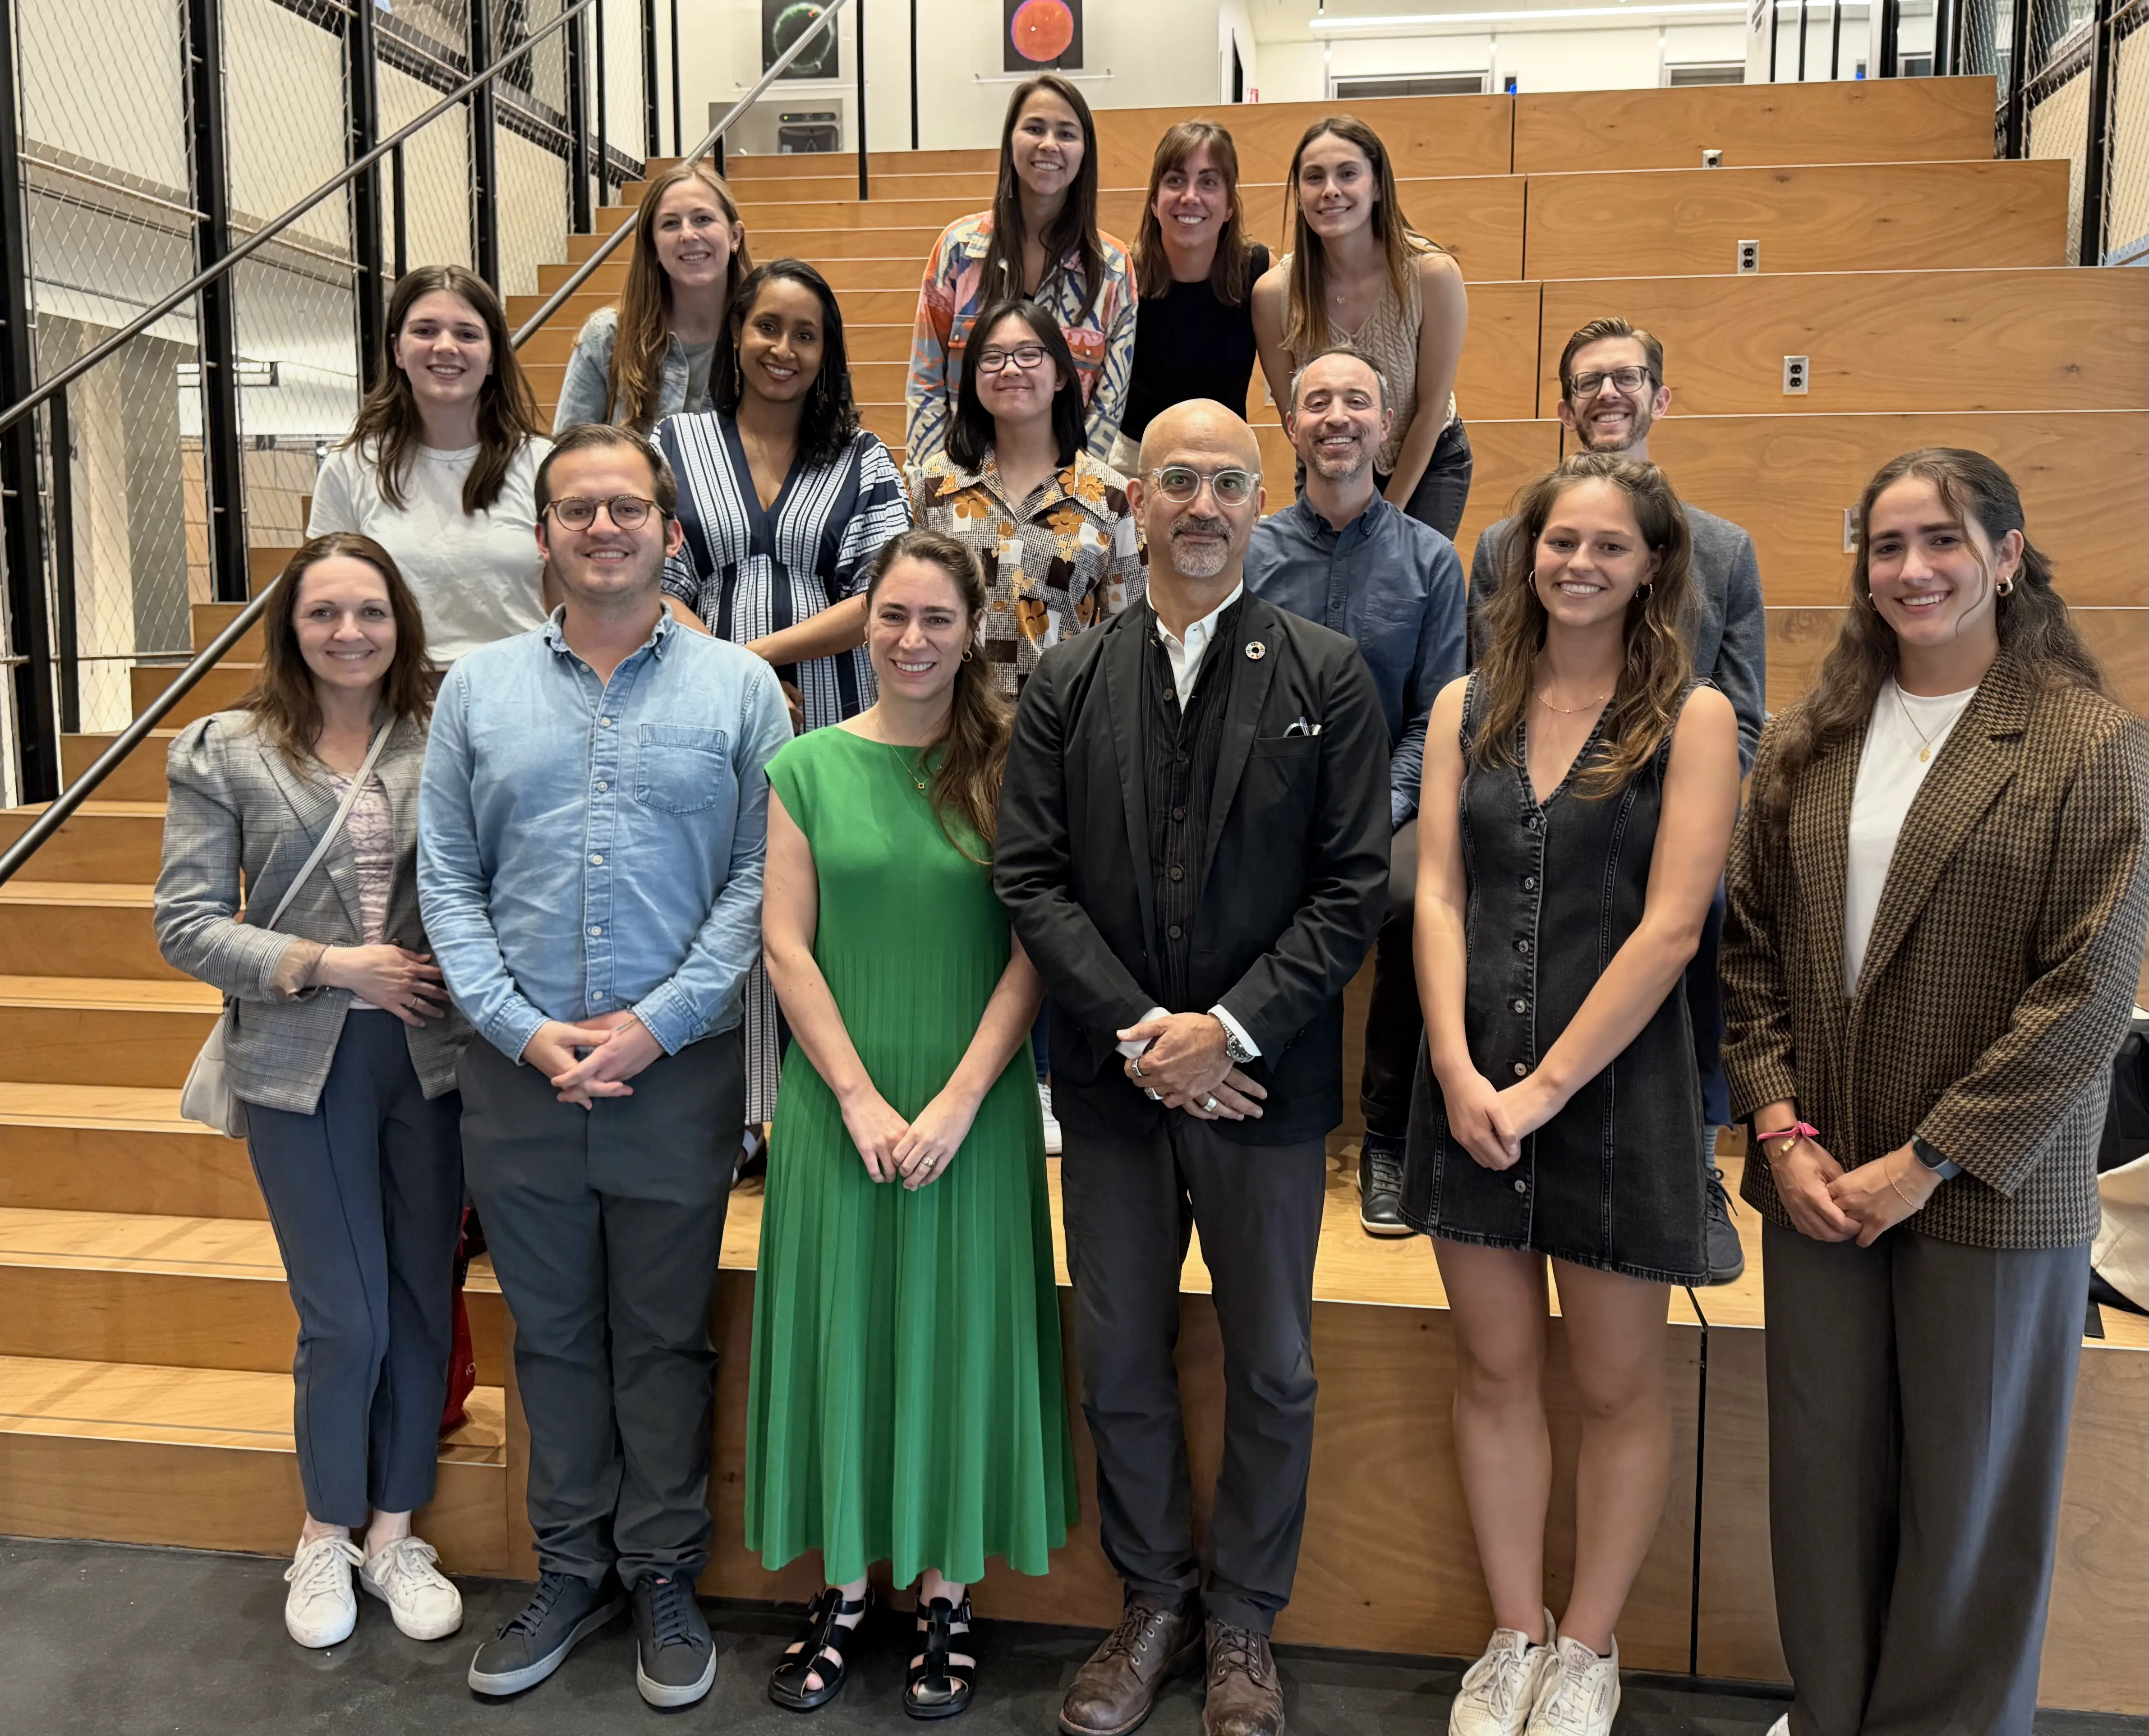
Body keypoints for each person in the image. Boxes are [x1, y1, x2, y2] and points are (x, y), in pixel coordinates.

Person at [1720, 449, 2149, 1736]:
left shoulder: (2086, 743)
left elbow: (2087, 994)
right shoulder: (1811, 738)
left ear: (2007, 558)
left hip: (1985, 1184)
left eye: (1943, 541)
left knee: (1969, 1499)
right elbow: (1750, 953)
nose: (1912, 569)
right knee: (1825, 1484)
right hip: (1819, 1179)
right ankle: (1835, 1710)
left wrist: (1924, 1160)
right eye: (1886, 545)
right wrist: (1779, 1128)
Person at [996, 400, 1390, 1736]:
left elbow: (1350, 887)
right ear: (1136, 501)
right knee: (1116, 1358)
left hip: (1259, 1089)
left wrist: (1224, 1032)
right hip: (1113, 1089)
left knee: (1273, 1363)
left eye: (1229, 479)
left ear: (1257, 497)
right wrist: (1144, 1039)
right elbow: (1030, 877)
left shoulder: (1327, 674)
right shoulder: (1064, 676)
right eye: (1179, 480)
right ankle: (1154, 1599)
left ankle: (1243, 1624)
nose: (1204, 503)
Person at [418, 424, 791, 1709]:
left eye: (626, 507)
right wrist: (521, 1027)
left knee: (662, 1338)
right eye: (575, 509)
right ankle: (570, 1568)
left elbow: (758, 882)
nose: (603, 528)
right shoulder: (474, 693)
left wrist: (658, 1022)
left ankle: (663, 1572)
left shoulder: (742, 689)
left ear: (669, 532)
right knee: (556, 1335)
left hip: (670, 1069)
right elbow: (447, 882)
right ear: (544, 539)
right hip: (514, 1076)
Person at [1404, 453, 1739, 1736]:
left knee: (1613, 1385)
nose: (1578, 564)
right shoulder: (1462, 704)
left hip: (1609, 1093)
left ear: (1652, 564)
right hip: (1469, 1077)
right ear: (1522, 555)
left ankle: (1586, 1648)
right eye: (1559, 543)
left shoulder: (1691, 718)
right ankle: (1510, 1636)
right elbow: (1436, 891)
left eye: (1608, 546)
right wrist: (1451, 1063)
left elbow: (1667, 931)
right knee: (1492, 1372)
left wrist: (1541, 1089)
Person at [749, 528, 1077, 1720]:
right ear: (864, 622)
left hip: (969, 1106)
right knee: (848, 1326)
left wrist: (951, 1102)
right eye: (892, 615)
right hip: (839, 1098)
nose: (912, 639)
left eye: (936, 618)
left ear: (973, 628)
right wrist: (853, 1098)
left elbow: (1032, 951)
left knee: (955, 1326)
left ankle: (946, 1588)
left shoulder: (1010, 772)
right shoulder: (805, 767)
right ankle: (843, 1586)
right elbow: (784, 942)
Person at [154, 533, 468, 1652]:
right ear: (290, 625)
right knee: (347, 1316)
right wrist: (333, 965)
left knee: (425, 1302)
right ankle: (323, 1532)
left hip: (431, 1058)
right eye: (325, 613)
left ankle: (394, 1533)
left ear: (401, 624)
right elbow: (184, 922)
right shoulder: (226, 748)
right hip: (301, 1062)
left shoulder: (445, 737)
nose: (349, 633)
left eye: (371, 613)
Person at [1470, 316, 1767, 1284]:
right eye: (1588, 381)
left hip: (1675, 795)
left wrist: (1687, 796)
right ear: (1563, 408)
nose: (1609, 393)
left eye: (1628, 377)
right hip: (1547, 787)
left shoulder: (1721, 550)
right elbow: (1497, 694)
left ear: (1660, 397)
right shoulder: (1505, 543)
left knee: (1704, 907)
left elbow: (1746, 710)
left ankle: (1694, 1151)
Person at [659, 258, 912, 1130]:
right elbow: (655, 582)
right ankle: (730, 1114)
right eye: (768, 326)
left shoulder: (862, 454)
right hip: (702, 715)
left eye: (807, 335)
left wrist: (753, 658)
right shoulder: (676, 444)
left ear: (828, 352)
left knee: (823, 906)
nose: (784, 348)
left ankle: (813, 1105)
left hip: (837, 716)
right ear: (736, 333)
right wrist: (736, 679)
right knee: (720, 890)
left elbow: (883, 591)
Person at [906, 298, 1149, 1157]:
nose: (1011, 370)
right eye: (992, 357)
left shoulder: (1110, 490)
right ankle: (964, 1065)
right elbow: (914, 615)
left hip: (1070, 737)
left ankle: (1045, 1075)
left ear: (1064, 373)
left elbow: (1128, 622)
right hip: (957, 730)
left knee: (1050, 908)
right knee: (965, 904)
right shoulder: (935, 484)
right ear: (971, 380)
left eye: (1029, 354)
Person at [1245, 347, 1466, 1237]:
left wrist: (1378, 809)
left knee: (1419, 898)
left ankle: (1388, 1132)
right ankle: (1245, 1093)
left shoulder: (1433, 562)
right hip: (1270, 798)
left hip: (1392, 800)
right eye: (1318, 402)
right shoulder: (1249, 551)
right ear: (1292, 426)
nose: (1338, 416)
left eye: (1358, 402)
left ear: (1385, 427)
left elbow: (1441, 711)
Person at [309, 265, 550, 664]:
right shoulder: (350, 466)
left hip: (519, 690)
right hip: (396, 695)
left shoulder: (543, 464)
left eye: (467, 334)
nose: (445, 346)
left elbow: (571, 602)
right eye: (425, 331)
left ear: (493, 358)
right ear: (398, 351)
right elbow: (327, 600)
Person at [1250, 115, 1471, 538]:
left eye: (1347, 174)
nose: (1330, 189)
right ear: (1299, 197)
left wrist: (1386, 517)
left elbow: (1430, 407)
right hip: (1330, 460)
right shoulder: (1273, 294)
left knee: (1400, 582)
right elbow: (1294, 419)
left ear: (1377, 188)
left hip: (1427, 459)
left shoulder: (1432, 275)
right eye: (1314, 177)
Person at [907, 73, 1136, 467]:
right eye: (1034, 128)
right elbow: (925, 383)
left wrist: (1070, 496)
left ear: (1085, 153)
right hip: (961, 488)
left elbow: (1108, 406)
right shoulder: (958, 250)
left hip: (1067, 498)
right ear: (1010, 140)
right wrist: (939, 490)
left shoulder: (1112, 269)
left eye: (1066, 133)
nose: (1049, 144)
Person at [1109, 120, 1270, 478]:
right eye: (1175, 180)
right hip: (1133, 464)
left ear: (1230, 205)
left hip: (1227, 461)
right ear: (1154, 201)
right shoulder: (1121, 274)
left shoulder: (1259, 270)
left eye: (1209, 182)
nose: (1190, 196)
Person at [552, 158, 753, 432]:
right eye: (670, 224)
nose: (688, 234)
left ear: (735, 236)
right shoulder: (607, 338)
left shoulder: (768, 339)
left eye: (703, 219)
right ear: (654, 247)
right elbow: (568, 457)